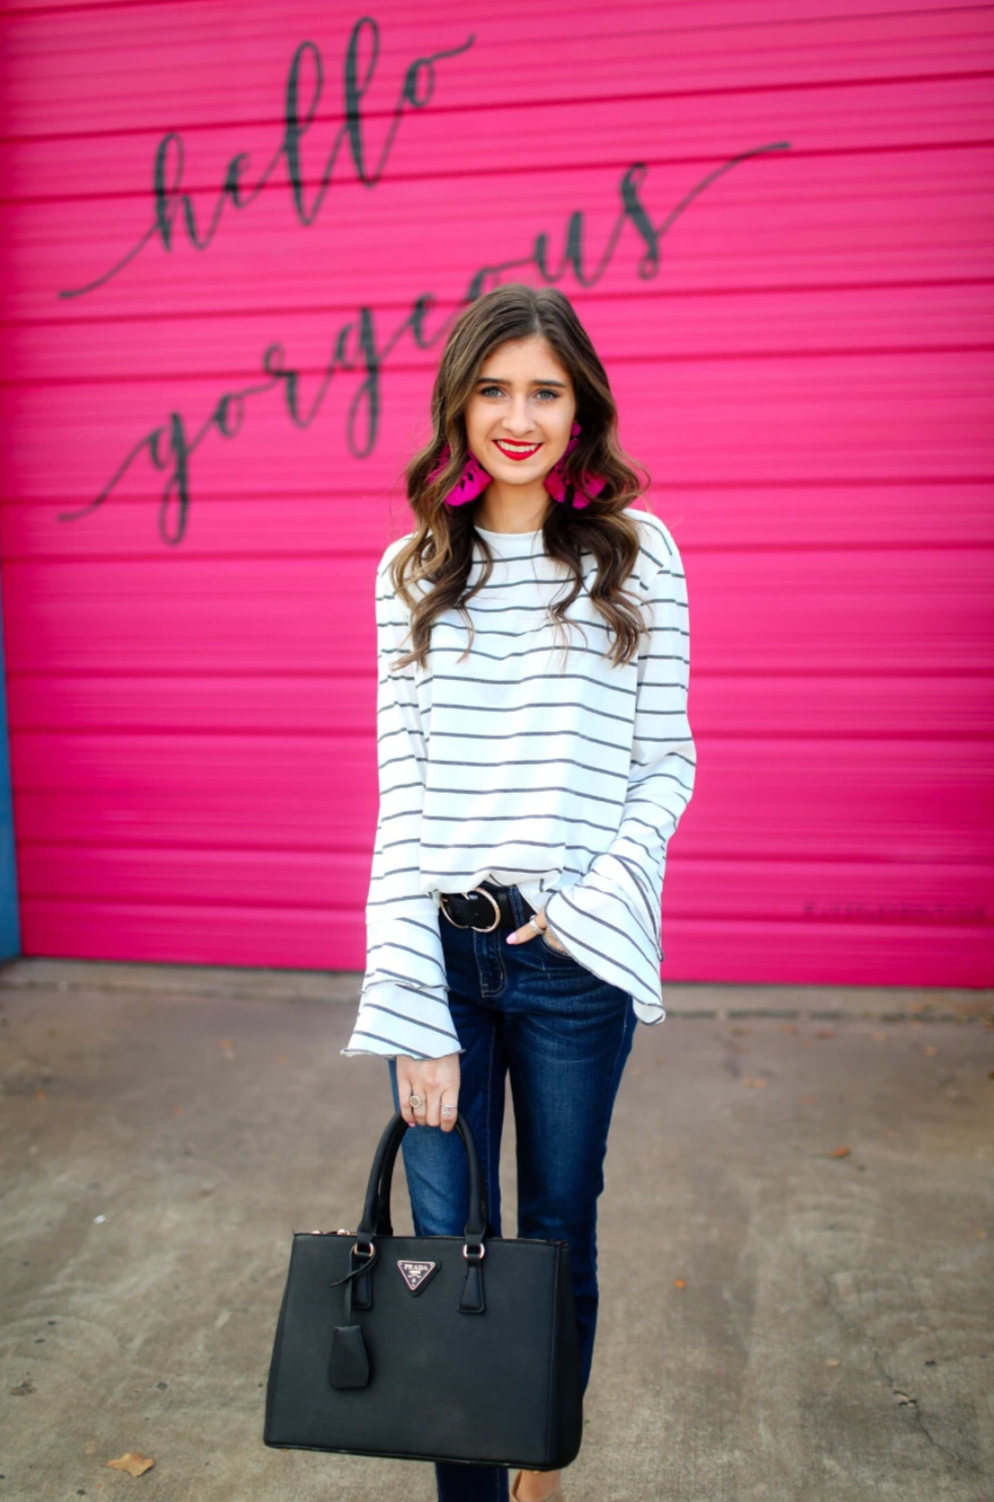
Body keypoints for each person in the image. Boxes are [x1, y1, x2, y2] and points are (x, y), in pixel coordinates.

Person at [343, 282, 696, 1502]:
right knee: (449, 1250)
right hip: (442, 958)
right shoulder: (411, 570)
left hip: (575, 958)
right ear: (457, 401)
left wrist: (594, 898)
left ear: (580, 404)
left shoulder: (638, 553)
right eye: (493, 388)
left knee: (553, 1234)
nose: (517, 415)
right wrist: (407, 1015)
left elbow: (667, 761)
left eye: (543, 389)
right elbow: (402, 801)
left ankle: (539, 1471)